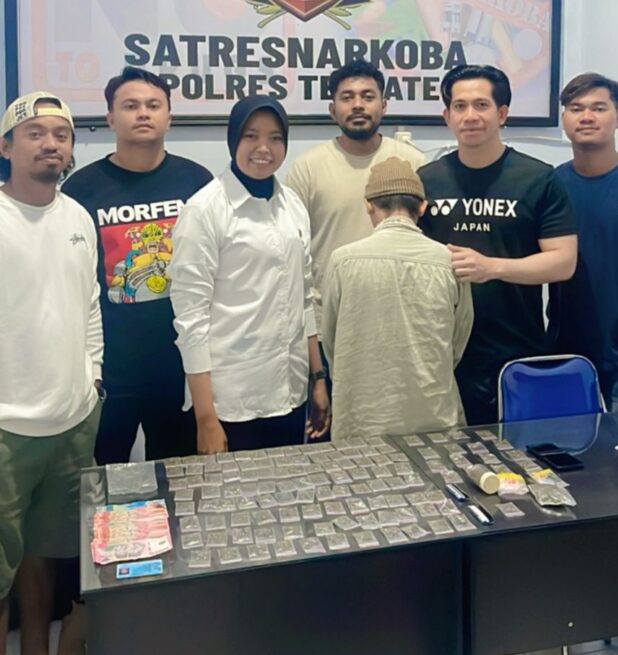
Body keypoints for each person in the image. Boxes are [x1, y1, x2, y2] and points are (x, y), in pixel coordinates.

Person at [0, 92, 102, 655]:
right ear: (7, 146)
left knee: (43, 555)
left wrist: (92, 379)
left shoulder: (78, 217)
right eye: (35, 133)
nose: (50, 144)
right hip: (7, 427)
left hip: (70, 420)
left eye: (61, 134)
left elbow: (90, 307)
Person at [64, 67, 212, 464]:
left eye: (153, 105)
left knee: (182, 478)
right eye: (130, 106)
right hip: (112, 373)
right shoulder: (80, 190)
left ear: (169, 116)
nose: (143, 113)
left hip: (179, 370)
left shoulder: (197, 183)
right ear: (110, 118)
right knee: (102, 478)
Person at [171, 95, 330, 456]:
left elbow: (304, 298)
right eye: (251, 136)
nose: (264, 148)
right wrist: (205, 418)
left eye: (275, 138)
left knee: (287, 488)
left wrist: (318, 378)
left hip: (290, 392)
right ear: (233, 140)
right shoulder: (204, 210)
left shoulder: (292, 205)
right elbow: (191, 321)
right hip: (231, 402)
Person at [418, 64, 577, 425]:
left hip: (516, 351)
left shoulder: (538, 178)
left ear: (502, 113)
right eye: (459, 106)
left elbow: (563, 261)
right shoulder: (427, 180)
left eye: (481, 105)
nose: (470, 115)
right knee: (447, 455)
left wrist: (491, 267)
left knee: (516, 455)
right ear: (447, 116)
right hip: (444, 352)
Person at [322, 158, 473, 443]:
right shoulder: (449, 262)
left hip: (361, 416)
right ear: (422, 207)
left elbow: (331, 341)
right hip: (434, 414)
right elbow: (458, 340)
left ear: (368, 205)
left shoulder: (343, 260)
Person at [285, 59, 426, 331]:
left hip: (401, 313)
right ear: (332, 110)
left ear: (383, 105)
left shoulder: (413, 163)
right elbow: (292, 253)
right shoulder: (307, 169)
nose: (358, 105)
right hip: (330, 317)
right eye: (347, 98)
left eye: (368, 97)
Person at [549, 72, 618, 413]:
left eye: (598, 108)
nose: (587, 117)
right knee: (566, 446)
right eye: (576, 108)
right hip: (565, 359)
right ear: (565, 119)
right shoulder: (550, 186)